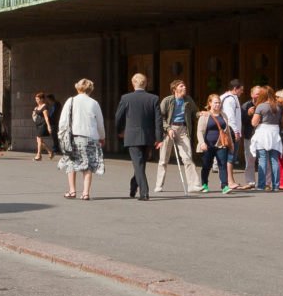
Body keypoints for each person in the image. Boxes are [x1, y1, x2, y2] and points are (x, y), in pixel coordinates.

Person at [115, 73, 162, 201]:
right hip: (148, 136)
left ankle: (144, 192)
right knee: (140, 164)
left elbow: (118, 117)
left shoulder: (126, 98)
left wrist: (119, 130)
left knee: (139, 164)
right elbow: (158, 120)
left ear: (133, 83)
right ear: (146, 84)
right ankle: (134, 184)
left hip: (132, 136)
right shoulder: (154, 98)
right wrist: (159, 138)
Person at [57, 78, 105, 201]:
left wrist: (61, 135)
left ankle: (72, 190)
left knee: (71, 162)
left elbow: (63, 120)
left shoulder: (71, 101)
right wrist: (102, 136)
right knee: (87, 164)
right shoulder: (94, 103)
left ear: (77, 88)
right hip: (90, 136)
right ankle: (85, 193)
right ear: (91, 89)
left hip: (74, 136)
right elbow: (100, 123)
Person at [154, 79, 201, 194]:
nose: (184, 88)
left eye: (184, 86)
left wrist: (201, 114)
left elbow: (195, 112)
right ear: (174, 89)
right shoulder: (167, 100)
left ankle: (193, 185)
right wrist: (168, 129)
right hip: (169, 129)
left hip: (183, 129)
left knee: (187, 157)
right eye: (181, 86)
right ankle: (159, 185)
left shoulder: (188, 100)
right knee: (163, 160)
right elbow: (161, 117)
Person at [197, 93, 233, 193]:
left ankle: (224, 186)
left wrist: (231, 144)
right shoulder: (205, 115)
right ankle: (204, 184)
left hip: (221, 144)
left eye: (219, 103)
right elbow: (199, 131)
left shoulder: (223, 115)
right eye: (215, 103)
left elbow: (227, 131)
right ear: (210, 103)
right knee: (206, 165)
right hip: (208, 144)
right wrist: (202, 143)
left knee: (222, 165)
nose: (218, 105)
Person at [250, 85, 283, 191]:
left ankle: (261, 185)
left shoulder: (261, 106)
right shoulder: (279, 106)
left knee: (262, 160)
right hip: (275, 133)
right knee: (274, 160)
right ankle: (276, 186)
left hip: (263, 133)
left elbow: (254, 123)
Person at [219, 80, 244, 186]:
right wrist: (236, 131)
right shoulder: (230, 99)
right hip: (230, 130)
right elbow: (230, 117)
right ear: (235, 89)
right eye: (241, 89)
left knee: (229, 156)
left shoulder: (226, 97)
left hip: (228, 130)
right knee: (230, 156)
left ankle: (228, 180)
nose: (242, 92)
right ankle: (230, 181)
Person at [241, 86, 262, 189]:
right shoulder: (245, 106)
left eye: (260, 93)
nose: (259, 96)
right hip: (250, 136)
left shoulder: (265, 105)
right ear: (252, 94)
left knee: (264, 159)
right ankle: (250, 182)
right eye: (257, 94)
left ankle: (265, 182)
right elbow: (242, 121)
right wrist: (248, 114)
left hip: (262, 136)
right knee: (249, 159)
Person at [32, 92, 53, 161]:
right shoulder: (37, 107)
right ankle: (50, 151)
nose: (36, 100)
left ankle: (39, 155)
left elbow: (46, 117)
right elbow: (34, 114)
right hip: (38, 124)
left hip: (43, 124)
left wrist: (48, 126)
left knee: (39, 139)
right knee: (39, 141)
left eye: (38, 99)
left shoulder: (45, 106)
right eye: (36, 99)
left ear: (42, 99)